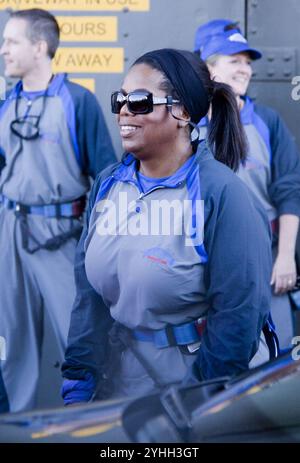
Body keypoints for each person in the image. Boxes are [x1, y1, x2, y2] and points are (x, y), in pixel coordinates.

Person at [61, 48, 277, 405]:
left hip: (196, 387)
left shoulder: (223, 194)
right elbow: (90, 299)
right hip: (119, 381)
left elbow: (239, 317)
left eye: (142, 101)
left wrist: (192, 403)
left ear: (182, 111)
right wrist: (79, 380)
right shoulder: (108, 185)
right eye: (121, 99)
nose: (125, 111)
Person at [0, 8, 116, 412]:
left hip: (61, 235)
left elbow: (105, 177)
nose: (3, 50)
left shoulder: (77, 101)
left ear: (40, 46)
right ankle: (13, 427)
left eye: (11, 42)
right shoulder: (5, 103)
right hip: (10, 231)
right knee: (12, 341)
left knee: (77, 337)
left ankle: (88, 424)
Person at [194, 20, 300, 349]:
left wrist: (285, 257)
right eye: (233, 61)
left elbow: (289, 190)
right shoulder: (186, 123)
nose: (245, 70)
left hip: (264, 261)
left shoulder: (266, 121)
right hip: (202, 262)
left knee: (271, 355)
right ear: (207, 69)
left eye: (248, 63)